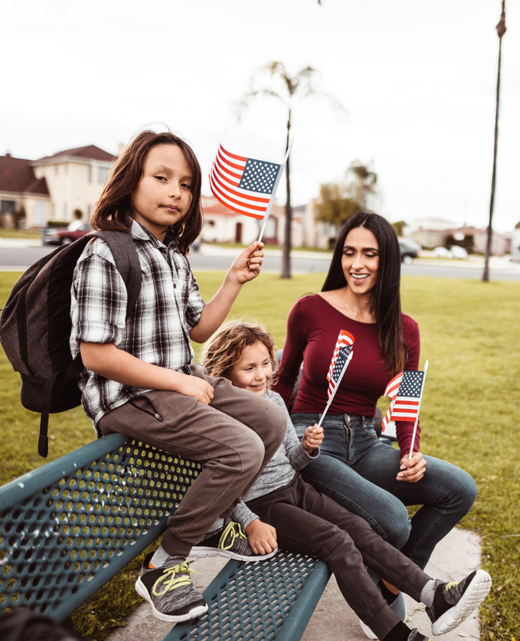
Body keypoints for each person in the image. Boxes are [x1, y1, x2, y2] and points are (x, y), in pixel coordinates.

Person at [70, 130, 285, 623]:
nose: (176, 192)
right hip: (130, 395)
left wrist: (233, 279)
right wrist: (180, 382)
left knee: (270, 422)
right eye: (162, 178)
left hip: (179, 381)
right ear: (131, 182)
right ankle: (165, 564)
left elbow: (200, 328)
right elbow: (96, 355)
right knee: (242, 449)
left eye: (186, 184)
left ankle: (211, 522)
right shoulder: (105, 252)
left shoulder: (173, 254)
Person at [201, 321, 491, 641]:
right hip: (262, 507)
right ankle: (394, 633)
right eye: (249, 368)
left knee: (357, 527)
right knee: (336, 542)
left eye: (266, 363)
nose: (261, 375)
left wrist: (307, 449)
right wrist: (250, 522)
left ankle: (434, 595)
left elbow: (291, 461)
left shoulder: (273, 400)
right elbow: (220, 482)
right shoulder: (223, 417)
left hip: (295, 487)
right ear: (225, 371)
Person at [273, 211, 479, 624]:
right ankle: (407, 590)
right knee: (393, 519)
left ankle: (389, 583)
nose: (357, 264)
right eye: (349, 252)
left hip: (367, 440)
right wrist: (279, 445)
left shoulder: (405, 329)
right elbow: (282, 383)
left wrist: (411, 451)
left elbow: (407, 404)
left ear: (387, 261)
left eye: (369, 254)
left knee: (460, 489)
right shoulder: (310, 309)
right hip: (313, 440)